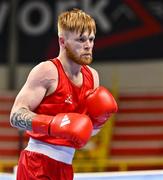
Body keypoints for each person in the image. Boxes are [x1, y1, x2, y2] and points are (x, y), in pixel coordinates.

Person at [10, 8, 118, 180]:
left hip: (65, 167)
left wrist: (97, 123)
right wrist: (52, 124)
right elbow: (15, 116)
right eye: (81, 39)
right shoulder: (47, 71)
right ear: (62, 41)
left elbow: (83, 131)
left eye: (91, 39)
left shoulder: (93, 77)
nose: (88, 45)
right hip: (36, 164)